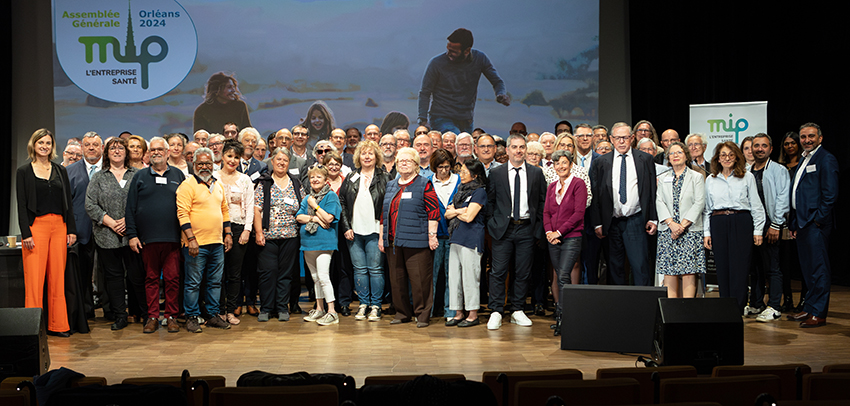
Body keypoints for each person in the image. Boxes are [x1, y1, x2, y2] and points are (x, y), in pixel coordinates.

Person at [16, 129, 77, 337]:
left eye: (48, 143)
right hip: (36, 228)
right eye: (41, 142)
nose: (45, 146)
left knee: (57, 277)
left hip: (59, 226)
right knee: (34, 279)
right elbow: (22, 205)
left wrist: (71, 229)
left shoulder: (60, 170)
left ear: (52, 147)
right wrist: (26, 234)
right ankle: (33, 328)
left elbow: (68, 203)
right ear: (33, 145)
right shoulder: (24, 171)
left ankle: (58, 325)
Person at [485, 134, 546, 330]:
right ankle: (496, 310)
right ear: (508, 150)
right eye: (514, 147)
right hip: (503, 229)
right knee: (498, 272)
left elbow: (542, 201)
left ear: (525, 150)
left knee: (523, 271)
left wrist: (537, 228)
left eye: (521, 147)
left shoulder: (536, 173)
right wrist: (492, 224)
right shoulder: (497, 173)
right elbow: (490, 202)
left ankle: (517, 309)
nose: (518, 151)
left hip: (527, 228)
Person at [84, 137, 144, 331]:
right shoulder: (99, 177)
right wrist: (109, 222)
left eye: (120, 149)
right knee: (114, 278)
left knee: (136, 275)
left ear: (126, 153)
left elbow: (144, 202)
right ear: (106, 153)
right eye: (113, 149)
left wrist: (128, 221)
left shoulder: (137, 175)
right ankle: (120, 315)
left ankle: (142, 312)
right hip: (106, 235)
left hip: (132, 234)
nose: (117, 152)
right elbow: (90, 204)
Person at [125, 137, 184, 333]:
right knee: (150, 279)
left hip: (173, 239)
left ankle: (171, 316)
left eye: (160, 149)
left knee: (173, 279)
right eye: (153, 150)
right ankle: (152, 317)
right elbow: (130, 208)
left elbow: (186, 207)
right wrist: (132, 235)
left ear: (168, 153)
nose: (156, 152)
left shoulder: (178, 175)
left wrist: (185, 234)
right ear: (148, 154)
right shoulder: (140, 176)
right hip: (146, 239)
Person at [589, 122, 657, 286]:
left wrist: (653, 218)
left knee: (640, 265)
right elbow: (595, 194)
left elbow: (652, 191)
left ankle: (643, 307)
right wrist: (597, 222)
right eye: (617, 138)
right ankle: (618, 309)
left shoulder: (645, 159)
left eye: (625, 137)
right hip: (611, 222)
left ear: (632, 138)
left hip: (636, 220)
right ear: (611, 139)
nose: (621, 141)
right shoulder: (601, 162)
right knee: (614, 267)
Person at [379, 147, 440, 328]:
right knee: (396, 280)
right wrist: (382, 237)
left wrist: (432, 236)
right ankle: (402, 312)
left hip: (417, 241)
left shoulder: (424, 184)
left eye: (408, 161)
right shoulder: (391, 185)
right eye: (400, 161)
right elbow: (384, 214)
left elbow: (433, 212)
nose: (403, 164)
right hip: (393, 241)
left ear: (416, 165)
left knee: (420, 280)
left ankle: (422, 314)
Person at [176, 148, 234, 333]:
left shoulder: (218, 184)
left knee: (215, 282)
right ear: (193, 164)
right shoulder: (187, 185)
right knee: (193, 283)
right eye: (200, 163)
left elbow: (224, 210)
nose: (204, 166)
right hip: (195, 244)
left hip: (217, 243)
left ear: (213, 164)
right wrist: (191, 239)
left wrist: (228, 234)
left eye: (207, 163)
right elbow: (182, 213)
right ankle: (192, 317)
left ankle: (212, 315)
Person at [703, 141, 765, 313]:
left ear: (737, 157)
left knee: (740, 267)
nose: (727, 158)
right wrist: (706, 233)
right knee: (722, 267)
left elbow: (756, 206)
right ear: (718, 158)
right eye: (723, 154)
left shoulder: (747, 177)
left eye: (731, 154)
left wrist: (758, 230)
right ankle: (725, 308)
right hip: (719, 223)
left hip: (741, 221)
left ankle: (738, 307)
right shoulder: (711, 179)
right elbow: (707, 209)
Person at [787, 123, 838, 328]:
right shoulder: (804, 159)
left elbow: (830, 194)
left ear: (820, 138)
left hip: (815, 224)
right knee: (808, 270)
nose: (806, 140)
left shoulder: (826, 159)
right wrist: (794, 222)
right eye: (803, 137)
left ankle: (819, 313)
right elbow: (798, 193)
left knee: (819, 269)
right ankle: (809, 308)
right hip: (801, 223)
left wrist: (817, 219)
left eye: (811, 136)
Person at [418, 28, 509, 134]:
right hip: (441, 116)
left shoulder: (479, 58)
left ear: (467, 50)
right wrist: (423, 119)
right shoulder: (436, 63)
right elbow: (425, 92)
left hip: (466, 119)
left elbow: (497, 81)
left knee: (465, 146)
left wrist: (501, 94)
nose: (448, 53)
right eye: (448, 49)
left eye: (453, 51)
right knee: (457, 140)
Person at [339, 140, 389, 322]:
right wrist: (346, 226)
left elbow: (388, 206)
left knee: (375, 269)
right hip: (354, 231)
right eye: (363, 153)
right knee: (359, 270)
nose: (367, 157)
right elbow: (342, 202)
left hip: (376, 231)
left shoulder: (385, 177)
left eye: (371, 153)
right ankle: (363, 304)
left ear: (377, 157)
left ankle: (375, 306)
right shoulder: (351, 176)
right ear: (358, 157)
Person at [253, 147, 304, 322]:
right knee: (268, 273)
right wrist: (258, 232)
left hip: (291, 236)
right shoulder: (265, 182)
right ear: (272, 161)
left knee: (286, 274)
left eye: (285, 160)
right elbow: (257, 209)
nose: (281, 163)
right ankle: (266, 308)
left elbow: (302, 206)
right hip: (268, 237)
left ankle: (282, 307)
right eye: (278, 160)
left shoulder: (295, 183)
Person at [744, 133, 790, 322]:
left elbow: (783, 198)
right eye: (756, 145)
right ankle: (756, 303)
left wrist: (776, 224)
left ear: (770, 149)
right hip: (752, 226)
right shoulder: (746, 171)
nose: (759, 149)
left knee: (772, 267)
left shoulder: (778, 170)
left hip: (770, 225)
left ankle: (774, 306)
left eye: (764, 146)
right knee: (754, 268)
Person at [543, 149, 587, 336]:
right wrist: (548, 232)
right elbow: (546, 212)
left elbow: (578, 213)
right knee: (557, 276)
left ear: (570, 164)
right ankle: (560, 316)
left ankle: (566, 318)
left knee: (563, 276)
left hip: (571, 236)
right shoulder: (552, 186)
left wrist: (559, 232)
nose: (560, 166)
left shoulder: (578, 184)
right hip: (553, 238)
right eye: (557, 163)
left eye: (564, 162)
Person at [655, 142, 705, 298]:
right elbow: (659, 201)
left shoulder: (696, 177)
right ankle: (672, 314)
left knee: (689, 272)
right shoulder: (663, 178)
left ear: (686, 155)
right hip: (668, 231)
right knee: (669, 273)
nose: (675, 155)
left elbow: (699, 202)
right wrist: (671, 224)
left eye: (679, 152)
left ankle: (687, 312)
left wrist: (681, 226)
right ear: (668, 158)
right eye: (671, 153)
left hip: (689, 231)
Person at [213, 140, 254, 326]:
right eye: (229, 156)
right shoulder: (213, 177)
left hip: (238, 228)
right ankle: (218, 311)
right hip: (216, 229)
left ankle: (230, 311)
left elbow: (250, 206)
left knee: (234, 274)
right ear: (222, 156)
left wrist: (247, 229)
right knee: (217, 274)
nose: (233, 160)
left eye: (236, 157)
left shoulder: (245, 180)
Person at [295, 164, 342, 326]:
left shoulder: (330, 196)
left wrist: (314, 206)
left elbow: (329, 218)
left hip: (324, 243)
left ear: (325, 180)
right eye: (312, 177)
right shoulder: (307, 197)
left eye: (318, 177)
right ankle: (320, 308)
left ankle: (332, 311)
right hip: (308, 243)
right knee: (315, 278)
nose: (315, 180)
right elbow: (299, 217)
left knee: (323, 276)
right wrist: (314, 218)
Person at [444, 159, 487, 327]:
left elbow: (470, 217)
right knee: (454, 278)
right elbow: (447, 214)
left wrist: (455, 211)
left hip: (471, 239)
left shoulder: (480, 192)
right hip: (455, 237)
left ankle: (472, 313)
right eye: (460, 171)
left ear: (474, 174)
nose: (460, 174)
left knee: (470, 278)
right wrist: (459, 210)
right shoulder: (460, 190)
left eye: (464, 172)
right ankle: (458, 312)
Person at [66, 131, 103, 319]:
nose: (91, 148)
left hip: (108, 231)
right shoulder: (69, 172)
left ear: (101, 148)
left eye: (95, 145)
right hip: (81, 233)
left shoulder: (111, 169)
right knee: (82, 273)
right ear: (82, 148)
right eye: (87, 144)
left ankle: (111, 310)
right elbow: (66, 205)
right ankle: (85, 310)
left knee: (108, 274)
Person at [430, 149, 460, 321]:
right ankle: (429, 310)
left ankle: (451, 311)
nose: (443, 170)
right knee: (431, 276)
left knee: (452, 276)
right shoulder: (428, 183)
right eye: (440, 167)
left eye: (447, 166)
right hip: (434, 236)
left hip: (454, 235)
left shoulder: (459, 181)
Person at [323, 151, 354, 316]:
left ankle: (344, 302)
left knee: (344, 268)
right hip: (324, 230)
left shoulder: (347, 182)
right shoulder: (320, 182)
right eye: (330, 164)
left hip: (343, 231)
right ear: (325, 166)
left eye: (337, 164)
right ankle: (327, 302)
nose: (333, 167)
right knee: (326, 268)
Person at [778, 132, 804, 312]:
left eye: (793, 143)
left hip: (801, 219)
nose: (789, 147)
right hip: (784, 222)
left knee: (802, 263)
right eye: (786, 144)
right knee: (783, 263)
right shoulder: (779, 167)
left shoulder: (804, 164)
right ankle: (787, 298)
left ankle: (804, 299)